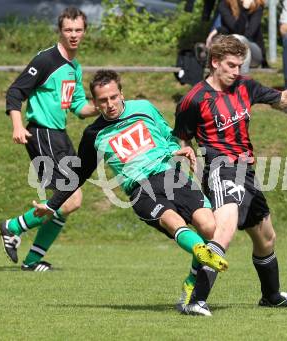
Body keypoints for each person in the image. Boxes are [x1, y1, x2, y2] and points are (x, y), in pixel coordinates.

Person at [33, 70, 229, 315]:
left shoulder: (144, 108)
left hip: (171, 176)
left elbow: (168, 135)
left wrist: (180, 150)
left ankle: (191, 281)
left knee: (210, 228)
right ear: (95, 103)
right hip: (140, 189)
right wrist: (52, 204)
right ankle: (200, 254)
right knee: (173, 222)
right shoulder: (94, 134)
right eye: (103, 101)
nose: (110, 104)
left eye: (113, 97)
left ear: (121, 93)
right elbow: (77, 175)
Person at [173, 35, 287, 314]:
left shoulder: (246, 86)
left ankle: (271, 296)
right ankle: (195, 299)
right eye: (231, 65)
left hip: (246, 170)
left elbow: (285, 100)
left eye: (240, 65)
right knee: (224, 227)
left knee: (266, 237)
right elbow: (181, 138)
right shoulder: (194, 99)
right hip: (218, 167)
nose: (236, 71)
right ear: (215, 62)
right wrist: (187, 154)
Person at [0, 7, 98, 271]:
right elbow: (15, 91)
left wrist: (101, 106)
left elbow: (78, 107)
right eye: (68, 30)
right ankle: (13, 227)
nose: (73, 35)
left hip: (60, 135)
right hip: (42, 133)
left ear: (84, 31)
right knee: (70, 198)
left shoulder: (74, 67)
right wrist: (17, 125)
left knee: (70, 201)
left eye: (78, 30)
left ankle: (30, 257)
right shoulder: (46, 60)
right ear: (60, 31)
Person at [206, 0, 269, 69]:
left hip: (253, 53)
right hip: (232, 51)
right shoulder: (224, 4)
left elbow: (247, 34)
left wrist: (245, 9)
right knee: (222, 40)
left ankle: (242, 76)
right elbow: (232, 28)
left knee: (238, 38)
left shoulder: (257, 5)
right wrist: (219, 30)